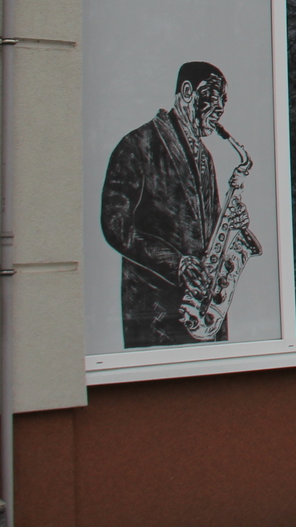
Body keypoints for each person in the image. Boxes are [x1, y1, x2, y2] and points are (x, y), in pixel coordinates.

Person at [100, 62, 246, 347]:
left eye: (224, 101)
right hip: (157, 314)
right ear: (188, 91)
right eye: (214, 96)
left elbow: (209, 230)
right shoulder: (137, 144)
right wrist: (177, 263)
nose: (220, 108)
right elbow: (115, 225)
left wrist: (232, 224)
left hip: (204, 312)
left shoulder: (205, 158)